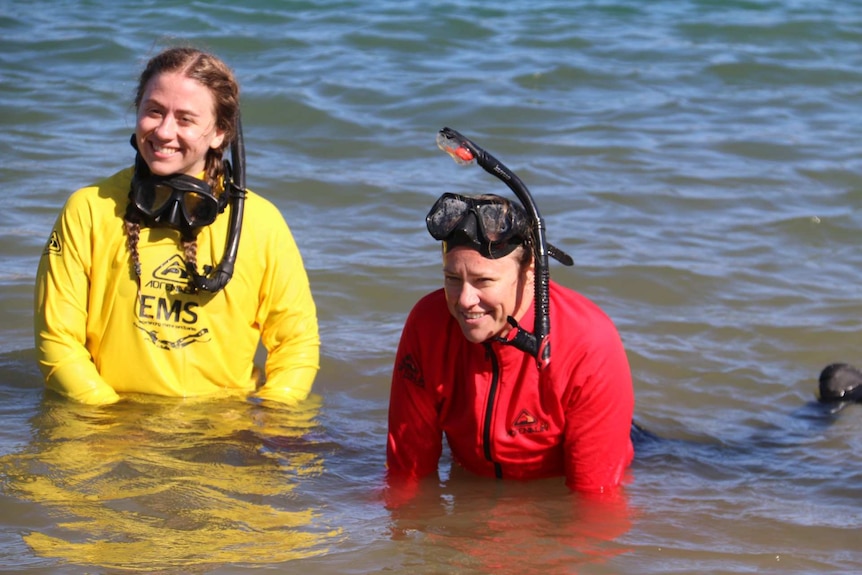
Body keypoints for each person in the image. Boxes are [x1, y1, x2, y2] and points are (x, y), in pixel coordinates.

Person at [34, 46, 319, 406]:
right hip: (107, 428)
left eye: (185, 119)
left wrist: (272, 417)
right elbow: (56, 341)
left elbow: (296, 343)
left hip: (222, 431)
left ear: (219, 132)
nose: (164, 131)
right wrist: (107, 421)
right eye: (154, 111)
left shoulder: (261, 223)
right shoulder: (89, 208)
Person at [387, 129, 634, 497]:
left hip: (582, 471)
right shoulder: (427, 325)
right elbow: (407, 476)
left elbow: (594, 508)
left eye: (484, 281)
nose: (465, 300)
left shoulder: (588, 343)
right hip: (475, 474)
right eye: (453, 279)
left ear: (530, 271)